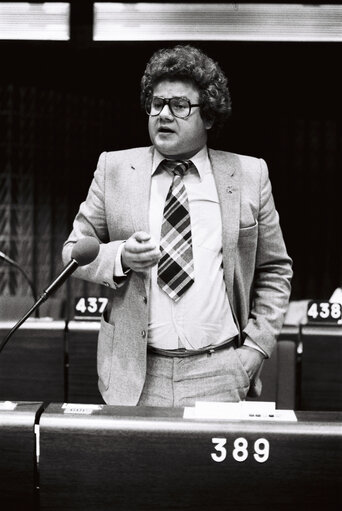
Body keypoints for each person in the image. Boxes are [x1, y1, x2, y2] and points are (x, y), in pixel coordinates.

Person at [62, 44, 293, 407]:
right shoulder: (115, 169)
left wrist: (255, 348)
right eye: (157, 103)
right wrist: (121, 257)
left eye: (180, 106)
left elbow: (275, 270)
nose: (164, 114)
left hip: (219, 371)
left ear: (210, 117)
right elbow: (74, 251)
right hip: (134, 372)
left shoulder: (249, 174)